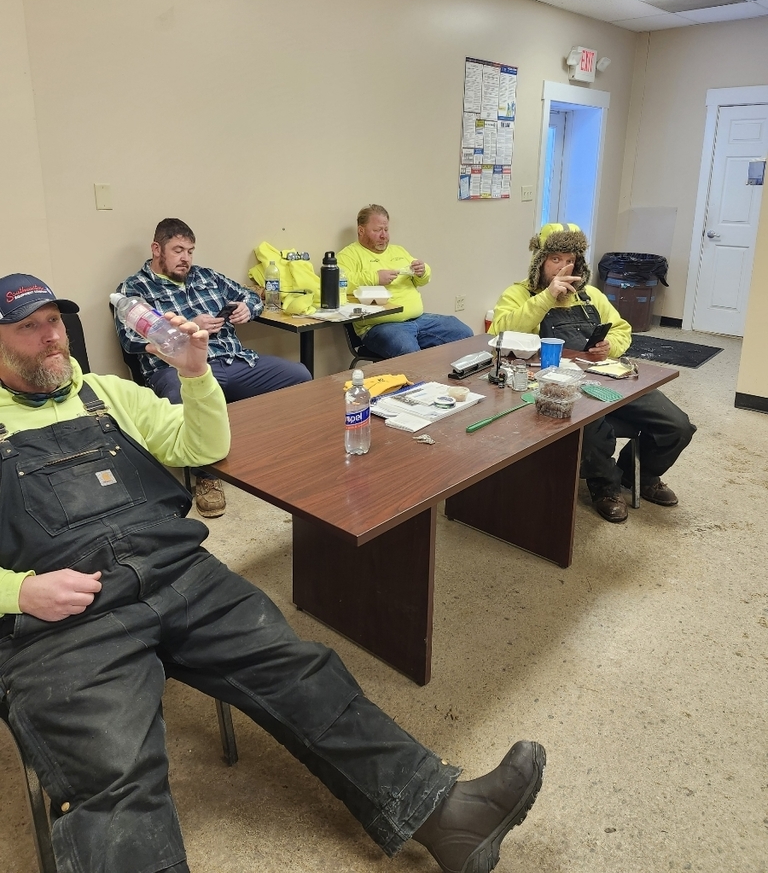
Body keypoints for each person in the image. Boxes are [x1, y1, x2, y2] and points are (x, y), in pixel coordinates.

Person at [0, 272, 546, 873]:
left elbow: (199, 445)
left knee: (302, 670)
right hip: (62, 614)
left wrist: (194, 372)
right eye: (28, 327)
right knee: (114, 769)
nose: (52, 338)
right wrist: (20, 590)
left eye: (53, 320)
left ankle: (447, 816)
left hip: (175, 571)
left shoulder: (106, 393)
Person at [491, 223, 696, 523]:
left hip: (608, 377)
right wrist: (547, 296)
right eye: (555, 259)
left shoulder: (592, 297)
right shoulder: (519, 294)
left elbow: (623, 330)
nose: (563, 267)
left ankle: (638, 474)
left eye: (570, 259)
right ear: (540, 261)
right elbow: (500, 332)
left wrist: (609, 347)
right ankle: (605, 487)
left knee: (677, 426)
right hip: (557, 388)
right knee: (592, 426)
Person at [116, 218, 311, 518]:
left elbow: (247, 295)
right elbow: (130, 340)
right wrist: (189, 326)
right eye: (178, 250)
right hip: (179, 369)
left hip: (234, 360)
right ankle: (206, 475)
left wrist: (249, 307)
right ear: (157, 249)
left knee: (300, 377)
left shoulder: (206, 277)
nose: (186, 258)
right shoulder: (134, 289)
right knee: (180, 397)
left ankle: (276, 456)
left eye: (190, 251)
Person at [337, 204, 473, 358]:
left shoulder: (398, 251)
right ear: (361, 230)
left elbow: (421, 281)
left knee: (464, 333)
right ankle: (423, 382)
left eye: (386, 230)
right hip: (380, 326)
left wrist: (422, 271)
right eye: (377, 230)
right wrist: (375, 278)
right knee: (410, 354)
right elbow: (337, 283)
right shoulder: (349, 255)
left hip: (420, 319)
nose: (384, 236)